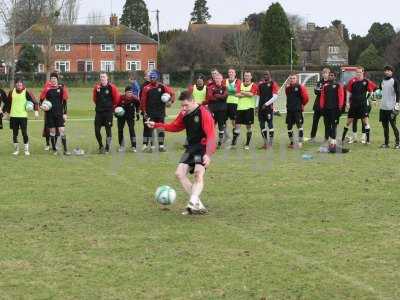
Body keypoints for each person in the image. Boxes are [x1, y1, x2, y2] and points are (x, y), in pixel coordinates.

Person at [146, 91, 216, 215]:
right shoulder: (184, 113)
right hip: (191, 147)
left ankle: (192, 202)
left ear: (193, 101)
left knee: (198, 174)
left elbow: (211, 136)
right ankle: (197, 204)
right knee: (179, 174)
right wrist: (156, 125)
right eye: (182, 106)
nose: (183, 108)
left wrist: (208, 154)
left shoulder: (204, 113)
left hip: (203, 147)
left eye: (186, 105)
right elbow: (175, 126)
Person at [140, 70, 175, 153]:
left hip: (160, 112)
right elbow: (143, 101)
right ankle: (152, 147)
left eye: (154, 78)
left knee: (161, 129)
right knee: (151, 129)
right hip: (150, 112)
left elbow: (172, 93)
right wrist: (144, 112)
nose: (152, 79)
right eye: (151, 78)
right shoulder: (146, 88)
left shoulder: (162, 87)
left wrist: (170, 101)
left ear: (157, 78)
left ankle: (161, 146)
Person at [341, 67, 377, 145]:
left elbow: (372, 91)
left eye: (360, 72)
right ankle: (344, 139)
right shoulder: (352, 81)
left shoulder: (366, 81)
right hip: (353, 105)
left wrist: (373, 100)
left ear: (363, 72)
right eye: (357, 72)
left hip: (363, 105)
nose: (358, 73)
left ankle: (367, 140)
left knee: (365, 122)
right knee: (348, 122)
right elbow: (348, 92)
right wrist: (347, 103)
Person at [3, 79, 38, 155]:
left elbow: (34, 102)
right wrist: (7, 114)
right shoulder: (11, 92)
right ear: (15, 84)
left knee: (24, 133)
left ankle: (26, 150)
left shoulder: (26, 92)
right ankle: (16, 150)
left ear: (22, 84)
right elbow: (8, 104)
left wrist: (36, 111)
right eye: (17, 84)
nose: (19, 85)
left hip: (23, 116)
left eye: (20, 84)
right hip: (13, 116)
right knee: (14, 134)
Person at [40, 72, 70, 155]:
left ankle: (65, 150)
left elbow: (64, 101)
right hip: (50, 114)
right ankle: (54, 149)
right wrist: (42, 106)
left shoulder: (61, 88)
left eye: (55, 78)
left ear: (57, 79)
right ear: (50, 80)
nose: (53, 80)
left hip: (59, 113)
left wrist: (65, 113)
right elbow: (41, 99)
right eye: (52, 79)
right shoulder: (47, 89)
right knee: (52, 131)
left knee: (62, 130)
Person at [92, 72, 120, 154]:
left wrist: (110, 107)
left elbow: (116, 99)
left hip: (108, 112)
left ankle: (107, 147)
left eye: (104, 77)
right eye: (101, 77)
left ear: (107, 78)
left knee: (108, 130)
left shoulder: (112, 87)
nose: (102, 78)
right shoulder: (97, 87)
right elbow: (94, 98)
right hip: (99, 112)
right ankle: (101, 146)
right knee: (97, 130)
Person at [230, 71, 258, 150]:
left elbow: (251, 94)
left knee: (248, 127)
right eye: (245, 76)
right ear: (244, 76)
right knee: (237, 126)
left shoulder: (254, 85)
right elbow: (236, 94)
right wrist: (246, 93)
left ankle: (247, 144)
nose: (247, 77)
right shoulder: (240, 84)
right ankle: (233, 143)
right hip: (240, 108)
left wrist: (242, 92)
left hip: (249, 108)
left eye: (248, 76)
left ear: (251, 77)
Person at [319, 71, 345, 151]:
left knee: (334, 126)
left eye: (332, 75)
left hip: (335, 109)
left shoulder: (338, 85)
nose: (330, 77)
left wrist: (340, 108)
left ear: (335, 77)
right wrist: (322, 107)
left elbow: (341, 97)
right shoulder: (325, 86)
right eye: (329, 75)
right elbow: (322, 97)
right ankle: (327, 139)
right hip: (326, 109)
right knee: (327, 125)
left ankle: (333, 142)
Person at [285, 73, 309, 148]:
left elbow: (306, 98)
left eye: (293, 78)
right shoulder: (287, 88)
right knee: (289, 127)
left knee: (299, 126)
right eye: (291, 78)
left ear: (297, 79)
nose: (292, 80)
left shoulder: (300, 87)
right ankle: (292, 142)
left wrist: (301, 105)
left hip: (297, 110)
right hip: (289, 110)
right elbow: (287, 96)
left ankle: (300, 142)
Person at [378, 65, 400, 149]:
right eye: (386, 70)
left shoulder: (394, 81)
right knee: (385, 126)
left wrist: (397, 104)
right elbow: (380, 90)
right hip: (383, 108)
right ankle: (386, 143)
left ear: (392, 72)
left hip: (391, 108)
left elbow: (398, 93)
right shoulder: (382, 81)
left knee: (393, 125)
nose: (387, 72)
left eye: (389, 70)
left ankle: (398, 143)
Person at [257, 71, 280, 149]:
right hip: (261, 108)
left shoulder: (273, 83)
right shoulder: (260, 84)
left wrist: (266, 104)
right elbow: (258, 96)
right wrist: (257, 106)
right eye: (264, 74)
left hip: (268, 108)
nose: (265, 76)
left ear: (270, 75)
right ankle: (265, 143)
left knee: (270, 124)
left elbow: (275, 96)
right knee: (262, 125)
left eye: (267, 74)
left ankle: (270, 143)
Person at [204, 73, 228, 148]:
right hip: (212, 109)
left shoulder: (225, 87)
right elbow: (210, 97)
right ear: (214, 79)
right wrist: (220, 97)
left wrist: (217, 96)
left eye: (219, 78)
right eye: (216, 78)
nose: (217, 79)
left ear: (222, 79)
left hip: (222, 109)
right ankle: (210, 142)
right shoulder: (210, 87)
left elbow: (225, 96)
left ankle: (220, 142)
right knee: (211, 126)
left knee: (221, 126)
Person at [116, 86, 141, 152]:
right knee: (120, 130)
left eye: (131, 92)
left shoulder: (135, 99)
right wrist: (116, 113)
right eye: (128, 92)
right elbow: (116, 106)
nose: (130, 93)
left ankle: (134, 146)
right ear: (125, 92)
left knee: (131, 130)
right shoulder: (121, 98)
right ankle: (121, 146)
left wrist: (137, 114)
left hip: (130, 116)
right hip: (121, 117)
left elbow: (138, 105)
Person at [310, 67, 330, 142]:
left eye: (326, 73)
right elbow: (316, 92)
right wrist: (322, 91)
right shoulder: (319, 82)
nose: (325, 74)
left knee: (326, 123)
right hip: (318, 106)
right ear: (322, 74)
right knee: (315, 122)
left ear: (329, 74)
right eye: (324, 73)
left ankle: (326, 138)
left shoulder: (330, 83)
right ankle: (312, 137)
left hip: (326, 106)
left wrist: (322, 91)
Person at [225, 68, 241, 140]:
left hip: (235, 103)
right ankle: (226, 135)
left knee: (233, 121)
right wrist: (232, 90)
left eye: (232, 72)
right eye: (229, 72)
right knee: (223, 120)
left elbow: (236, 90)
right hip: (225, 103)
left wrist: (228, 90)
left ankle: (236, 133)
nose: (230, 73)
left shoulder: (238, 81)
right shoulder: (224, 81)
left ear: (235, 74)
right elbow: (224, 90)